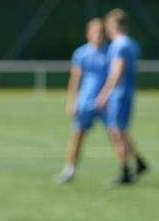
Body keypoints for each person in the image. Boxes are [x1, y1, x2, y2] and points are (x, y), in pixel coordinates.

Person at [95, 8, 149, 185]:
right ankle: (139, 163)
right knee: (119, 130)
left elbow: (117, 73)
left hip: (120, 93)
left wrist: (104, 94)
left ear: (114, 25)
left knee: (116, 131)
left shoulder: (120, 45)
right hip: (126, 92)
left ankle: (125, 171)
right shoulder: (132, 44)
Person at [56, 19, 108, 184]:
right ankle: (70, 170)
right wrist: (72, 102)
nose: (99, 36)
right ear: (89, 34)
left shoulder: (111, 52)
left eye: (101, 32)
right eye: (96, 32)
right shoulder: (81, 54)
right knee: (78, 135)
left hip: (107, 102)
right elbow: (75, 80)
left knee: (117, 134)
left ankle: (126, 169)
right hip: (86, 102)